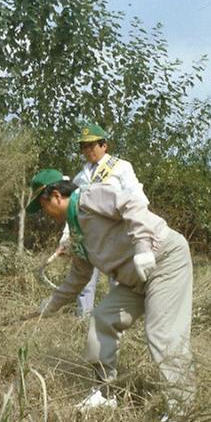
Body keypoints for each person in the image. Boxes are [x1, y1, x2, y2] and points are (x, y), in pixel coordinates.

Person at [27, 169, 194, 422]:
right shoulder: (76, 230)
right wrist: (52, 305)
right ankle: (105, 393)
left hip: (163, 260)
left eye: (43, 206)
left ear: (56, 196)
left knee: (162, 333)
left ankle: (181, 411)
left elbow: (133, 203)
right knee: (102, 319)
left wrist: (142, 248)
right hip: (133, 279)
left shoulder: (89, 197)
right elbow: (79, 276)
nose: (45, 213)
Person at [54, 122, 146, 317]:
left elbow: (136, 197)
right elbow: (72, 211)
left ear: (104, 145)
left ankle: (118, 319)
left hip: (116, 232)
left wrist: (140, 229)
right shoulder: (80, 178)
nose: (88, 150)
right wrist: (66, 238)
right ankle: (83, 320)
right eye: (84, 146)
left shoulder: (120, 167)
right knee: (85, 279)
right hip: (88, 235)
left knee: (118, 279)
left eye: (92, 145)